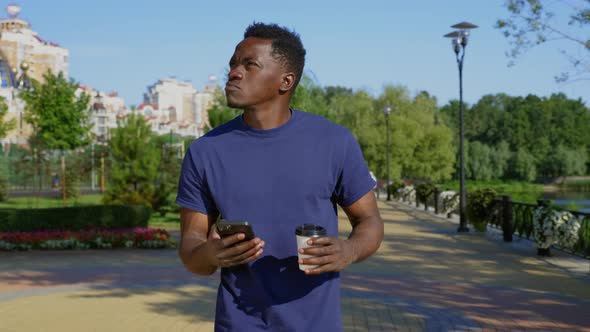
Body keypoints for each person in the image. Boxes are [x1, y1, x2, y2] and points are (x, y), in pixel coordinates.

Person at [176, 22, 384, 332]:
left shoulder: (334, 142)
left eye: (250, 65)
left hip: (318, 324)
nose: (233, 72)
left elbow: (370, 221)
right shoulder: (204, 152)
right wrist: (209, 253)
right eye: (233, 63)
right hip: (238, 324)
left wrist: (349, 250)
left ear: (285, 81)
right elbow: (191, 249)